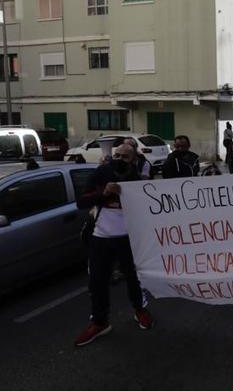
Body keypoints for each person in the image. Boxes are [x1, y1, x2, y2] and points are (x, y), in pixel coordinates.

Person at [74, 144, 154, 347]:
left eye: (124, 157)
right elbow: (81, 202)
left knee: (134, 278)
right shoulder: (101, 173)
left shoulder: (137, 178)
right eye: (116, 155)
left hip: (129, 238)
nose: (118, 159)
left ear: (133, 160)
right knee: (97, 282)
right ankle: (100, 322)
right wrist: (105, 193)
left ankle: (140, 310)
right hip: (101, 237)